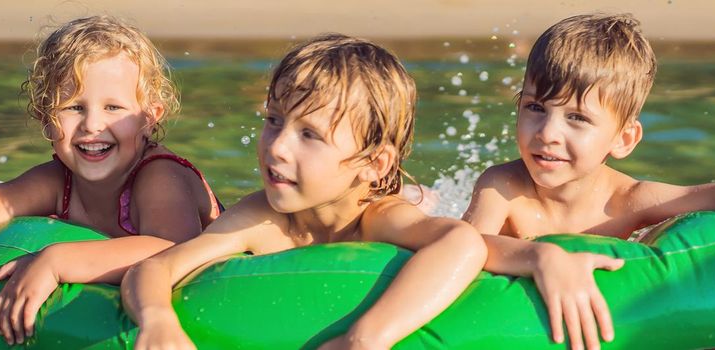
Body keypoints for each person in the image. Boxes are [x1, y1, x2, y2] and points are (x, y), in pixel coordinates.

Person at [121, 34, 487, 349]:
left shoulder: (377, 218)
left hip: (380, 203)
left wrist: (367, 337)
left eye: (309, 134)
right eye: (273, 120)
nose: (277, 147)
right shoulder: (262, 219)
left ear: (374, 162)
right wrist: (157, 321)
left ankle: (411, 192)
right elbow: (154, 268)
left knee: (414, 205)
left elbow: (462, 242)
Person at [463, 13, 715, 350]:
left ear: (624, 139)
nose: (548, 133)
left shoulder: (628, 201)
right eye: (535, 107)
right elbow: (465, 246)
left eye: (577, 118)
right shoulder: (503, 186)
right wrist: (541, 257)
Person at [0, 15, 223, 350]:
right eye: (74, 107)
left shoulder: (160, 176)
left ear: (149, 118)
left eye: (113, 107)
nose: (92, 124)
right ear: (45, 118)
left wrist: (56, 261)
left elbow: (175, 249)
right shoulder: (57, 179)